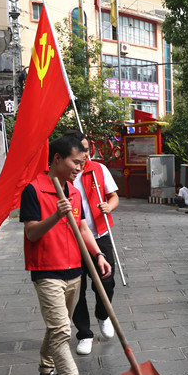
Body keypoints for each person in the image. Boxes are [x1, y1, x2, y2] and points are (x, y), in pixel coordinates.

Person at [20, 135, 111, 375]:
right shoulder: (33, 190)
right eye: (75, 161)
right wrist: (56, 216)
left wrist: (98, 254)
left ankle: (46, 372)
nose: (79, 167)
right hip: (47, 271)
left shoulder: (72, 190)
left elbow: (83, 227)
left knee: (56, 328)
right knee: (61, 330)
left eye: (82, 162)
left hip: (74, 270)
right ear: (57, 158)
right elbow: (31, 232)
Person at [68, 133, 119, 356]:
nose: (85, 154)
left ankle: (103, 313)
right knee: (77, 289)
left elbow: (114, 196)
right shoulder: (65, 174)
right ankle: (84, 334)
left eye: (87, 149)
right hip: (72, 239)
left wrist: (109, 207)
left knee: (106, 281)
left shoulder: (98, 169)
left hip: (99, 234)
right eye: (81, 149)